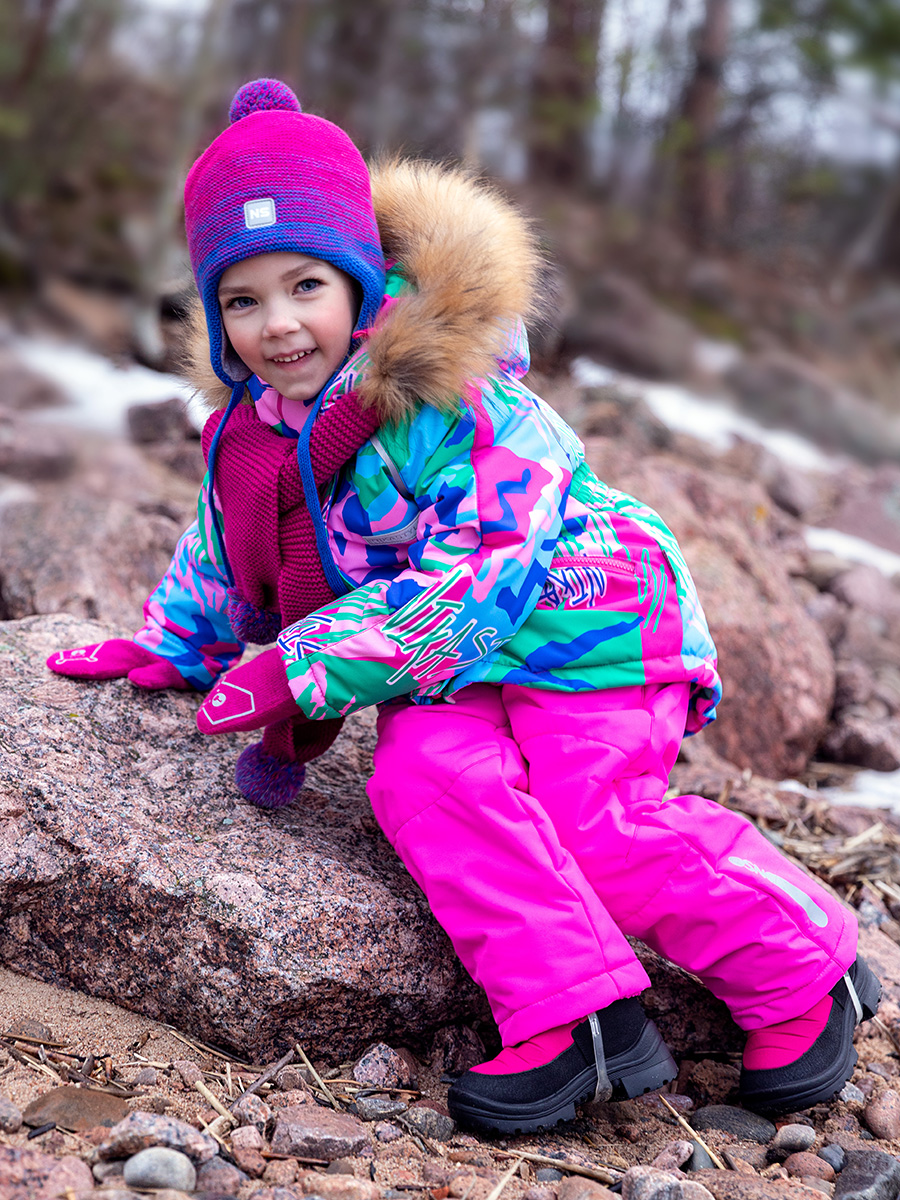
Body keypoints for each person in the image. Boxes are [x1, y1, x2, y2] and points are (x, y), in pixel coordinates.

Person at [47, 78, 880, 1135]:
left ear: (361, 282)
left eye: (305, 285)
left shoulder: (465, 402)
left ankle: (806, 966)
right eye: (242, 301)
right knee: (423, 776)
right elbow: (229, 550)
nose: (279, 325)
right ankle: (580, 1015)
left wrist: (308, 667)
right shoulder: (256, 435)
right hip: (447, 662)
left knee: (595, 814)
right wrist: (174, 644)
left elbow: (484, 570)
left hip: (592, 624)